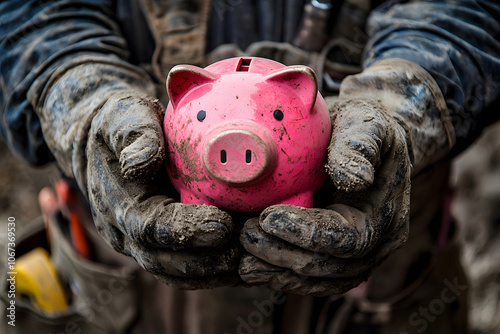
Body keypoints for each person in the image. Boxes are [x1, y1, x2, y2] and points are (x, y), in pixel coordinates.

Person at [0, 0, 499, 333]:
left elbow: (467, 12)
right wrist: (83, 104)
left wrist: (404, 110)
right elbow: (29, 15)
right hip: (132, 291)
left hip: (376, 291)